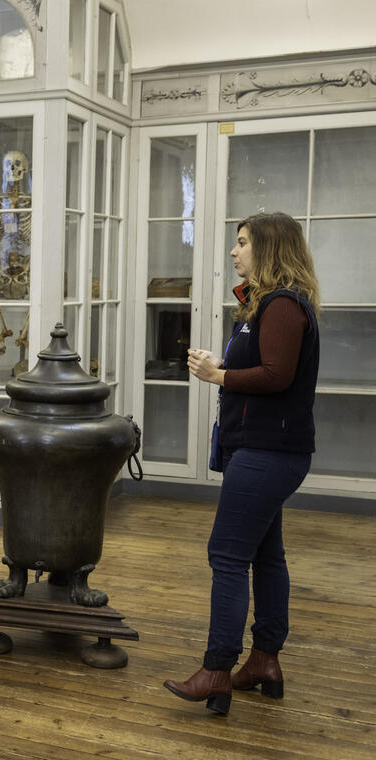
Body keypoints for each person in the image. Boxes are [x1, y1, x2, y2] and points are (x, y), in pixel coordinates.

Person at [164, 212, 320, 716]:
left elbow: (275, 375)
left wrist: (219, 376)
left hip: (268, 453)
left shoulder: (282, 304)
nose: (234, 252)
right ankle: (263, 661)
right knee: (265, 555)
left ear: (269, 249)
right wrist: (225, 366)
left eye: (243, 243)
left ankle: (216, 669)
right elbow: (267, 368)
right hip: (269, 451)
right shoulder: (271, 304)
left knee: (226, 555)